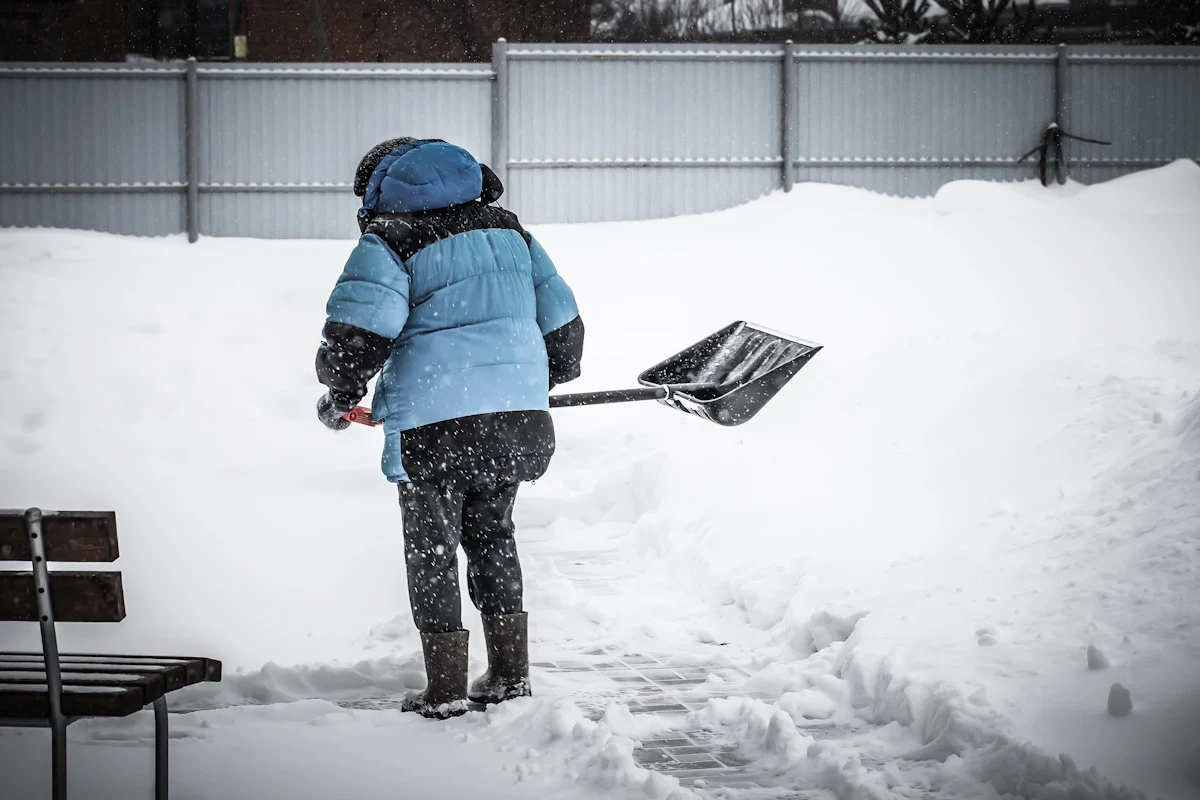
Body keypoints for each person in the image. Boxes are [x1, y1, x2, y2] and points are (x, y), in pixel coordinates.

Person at [313, 137, 584, 719]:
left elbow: (359, 330)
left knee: (433, 550)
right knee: (493, 537)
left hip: (437, 424)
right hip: (515, 418)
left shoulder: (392, 240)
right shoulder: (513, 234)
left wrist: (340, 390)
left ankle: (445, 690)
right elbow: (562, 324)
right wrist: (539, 377)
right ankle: (510, 675)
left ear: (382, 189)